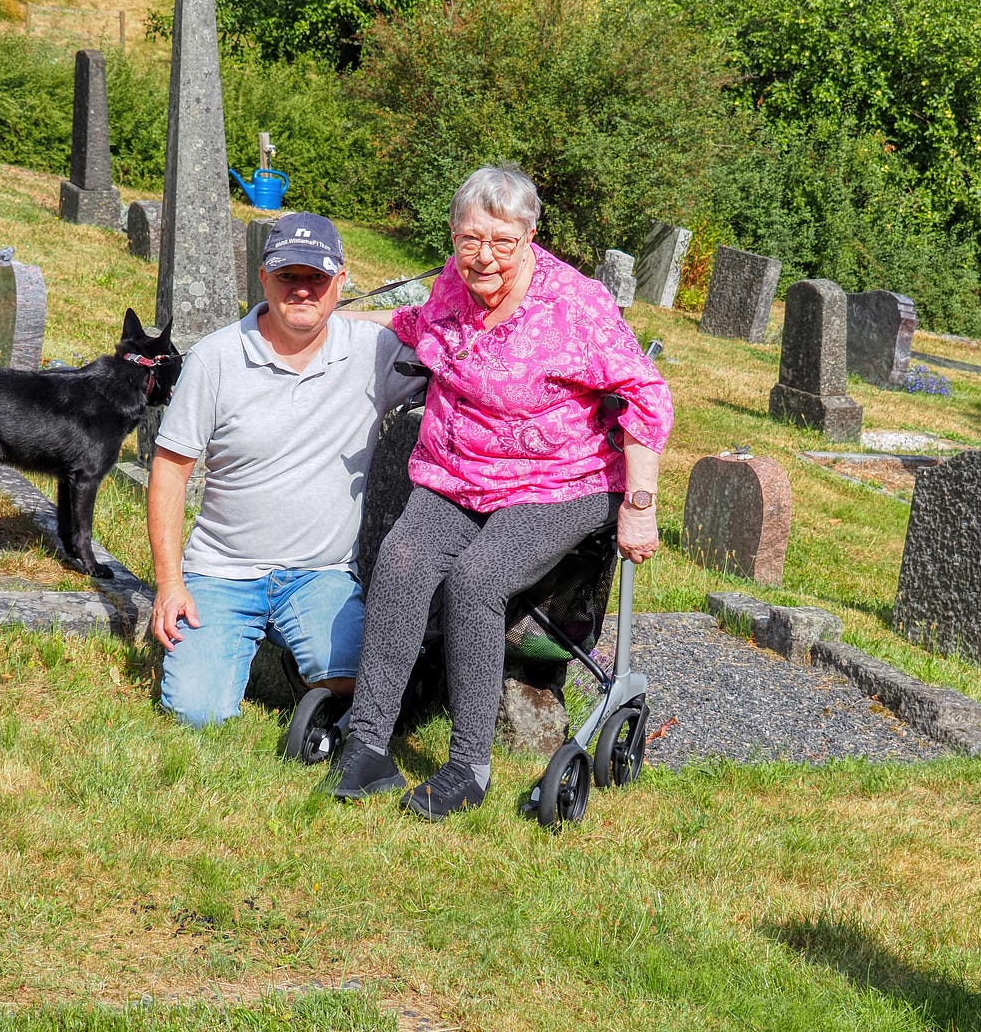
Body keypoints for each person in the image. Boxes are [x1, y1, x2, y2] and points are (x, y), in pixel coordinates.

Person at [330, 164, 674, 820]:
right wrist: (322, 316)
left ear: (529, 236)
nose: (483, 256)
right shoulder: (453, 286)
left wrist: (640, 505)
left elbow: (646, 394)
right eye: (469, 239)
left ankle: (468, 767)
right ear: (453, 237)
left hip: (560, 481)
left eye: (502, 242)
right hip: (458, 472)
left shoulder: (575, 306)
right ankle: (367, 746)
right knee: (401, 560)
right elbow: (416, 325)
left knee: (477, 580)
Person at [147, 212, 424, 727]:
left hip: (321, 574)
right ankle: (242, 647)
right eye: (288, 276)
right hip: (223, 572)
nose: (302, 289)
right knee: (197, 715)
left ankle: (306, 662)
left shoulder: (372, 351)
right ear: (263, 278)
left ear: (341, 281)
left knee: (371, 687)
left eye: (317, 277)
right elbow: (170, 470)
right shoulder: (215, 358)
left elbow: (452, 328)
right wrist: (169, 584)